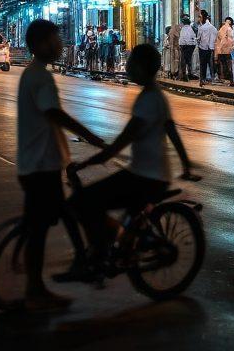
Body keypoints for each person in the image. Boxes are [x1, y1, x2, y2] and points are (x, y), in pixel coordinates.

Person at [68, 44, 196, 274]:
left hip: (145, 177)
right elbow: (172, 132)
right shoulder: (157, 96)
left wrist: (88, 162)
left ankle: (99, 254)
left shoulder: (148, 100)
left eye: (131, 64)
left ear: (143, 68)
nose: (127, 68)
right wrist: (185, 165)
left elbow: (123, 140)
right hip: (153, 174)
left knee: (85, 201)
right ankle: (120, 245)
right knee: (104, 203)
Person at [16, 19, 104, 312]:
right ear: (41, 45)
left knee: (59, 213)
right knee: (43, 226)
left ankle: (78, 261)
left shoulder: (32, 74)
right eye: (56, 40)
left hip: (39, 161)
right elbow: (55, 114)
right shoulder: (41, 77)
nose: (61, 45)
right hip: (41, 165)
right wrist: (90, 135)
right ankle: (36, 290)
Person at [196, 11, 217, 87]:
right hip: (211, 48)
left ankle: (202, 79)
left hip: (202, 48)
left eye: (200, 17)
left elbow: (198, 38)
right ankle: (212, 79)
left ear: (203, 17)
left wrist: (199, 42)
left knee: (203, 64)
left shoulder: (201, 28)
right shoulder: (213, 28)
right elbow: (215, 38)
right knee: (211, 64)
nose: (199, 18)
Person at [215, 17, 234, 84]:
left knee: (223, 65)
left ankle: (223, 79)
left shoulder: (221, 29)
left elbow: (219, 39)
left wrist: (218, 50)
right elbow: (229, 40)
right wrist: (232, 48)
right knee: (228, 65)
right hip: (227, 51)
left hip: (221, 51)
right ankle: (230, 79)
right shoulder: (229, 29)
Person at [178, 16, 197, 81]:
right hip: (188, 46)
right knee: (188, 61)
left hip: (186, 46)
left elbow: (186, 38)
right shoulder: (188, 28)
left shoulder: (186, 29)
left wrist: (185, 45)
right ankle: (188, 74)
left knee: (184, 61)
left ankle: (185, 75)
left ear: (184, 23)